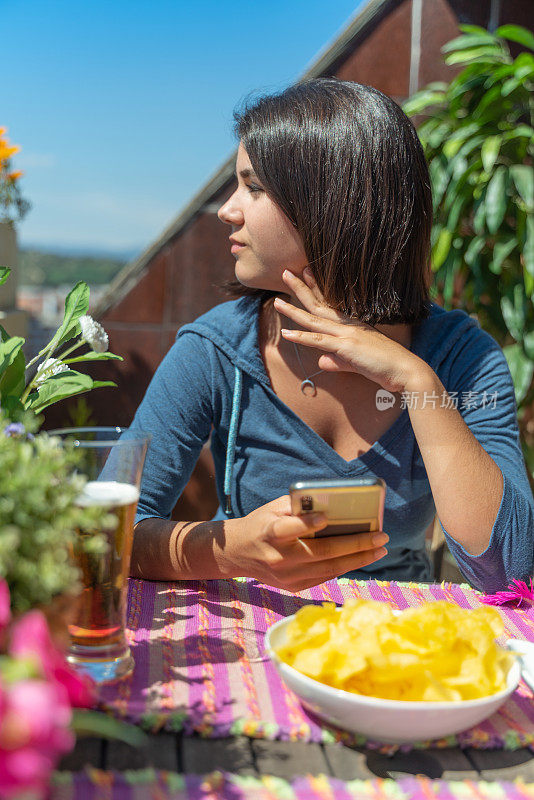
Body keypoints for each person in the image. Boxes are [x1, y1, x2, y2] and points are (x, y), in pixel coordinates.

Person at [129, 78, 534, 593]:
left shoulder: (462, 358)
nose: (228, 210)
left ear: (333, 204)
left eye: (254, 187)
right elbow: (112, 532)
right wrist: (231, 550)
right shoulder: (214, 352)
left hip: (400, 639)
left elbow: (510, 572)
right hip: (252, 639)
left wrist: (417, 382)